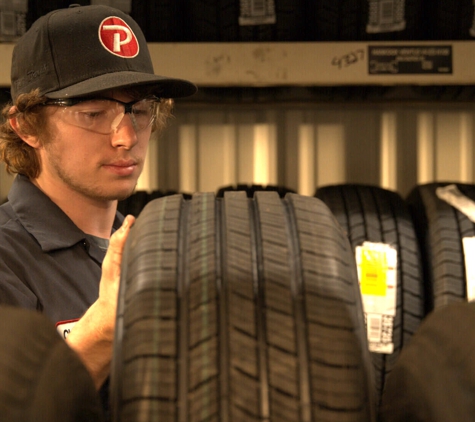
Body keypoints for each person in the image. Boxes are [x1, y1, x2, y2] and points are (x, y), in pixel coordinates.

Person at [0, 2, 196, 414]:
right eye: (93, 113)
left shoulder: (153, 250)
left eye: (139, 110)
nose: (126, 137)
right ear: (27, 127)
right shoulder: (6, 260)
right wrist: (100, 333)